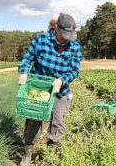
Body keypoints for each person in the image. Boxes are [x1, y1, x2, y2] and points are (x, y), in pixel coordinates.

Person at [18, 13, 82, 165]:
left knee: (57, 122)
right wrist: (23, 73)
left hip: (60, 90)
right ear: (57, 29)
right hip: (39, 87)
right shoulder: (41, 39)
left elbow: (74, 70)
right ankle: (28, 153)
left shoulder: (75, 47)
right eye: (64, 33)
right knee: (33, 119)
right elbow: (27, 58)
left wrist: (62, 80)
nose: (67, 38)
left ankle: (50, 157)